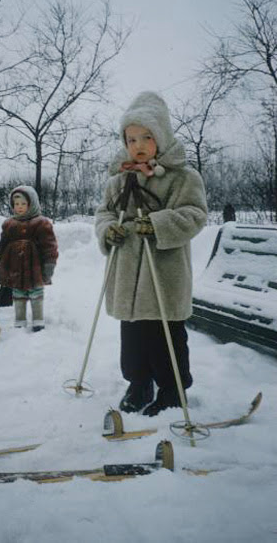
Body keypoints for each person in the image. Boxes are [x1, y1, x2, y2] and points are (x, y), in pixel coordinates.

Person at [95, 91, 207, 416]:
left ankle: (173, 390)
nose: (138, 145)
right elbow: (103, 213)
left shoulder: (183, 177)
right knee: (132, 337)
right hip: (127, 273)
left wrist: (158, 224)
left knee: (165, 336)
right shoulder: (119, 180)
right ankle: (139, 383)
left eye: (146, 137)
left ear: (162, 136)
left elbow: (195, 214)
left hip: (163, 271)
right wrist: (107, 230)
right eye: (131, 139)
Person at [0, 185, 58, 332]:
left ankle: (38, 319)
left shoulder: (41, 223)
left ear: (32, 204)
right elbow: (2, 244)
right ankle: (20, 319)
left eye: (24, 203)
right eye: (16, 204)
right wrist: (2, 259)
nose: (20, 207)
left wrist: (49, 264)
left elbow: (49, 246)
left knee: (36, 292)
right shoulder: (9, 224)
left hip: (34, 267)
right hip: (15, 267)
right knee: (18, 293)